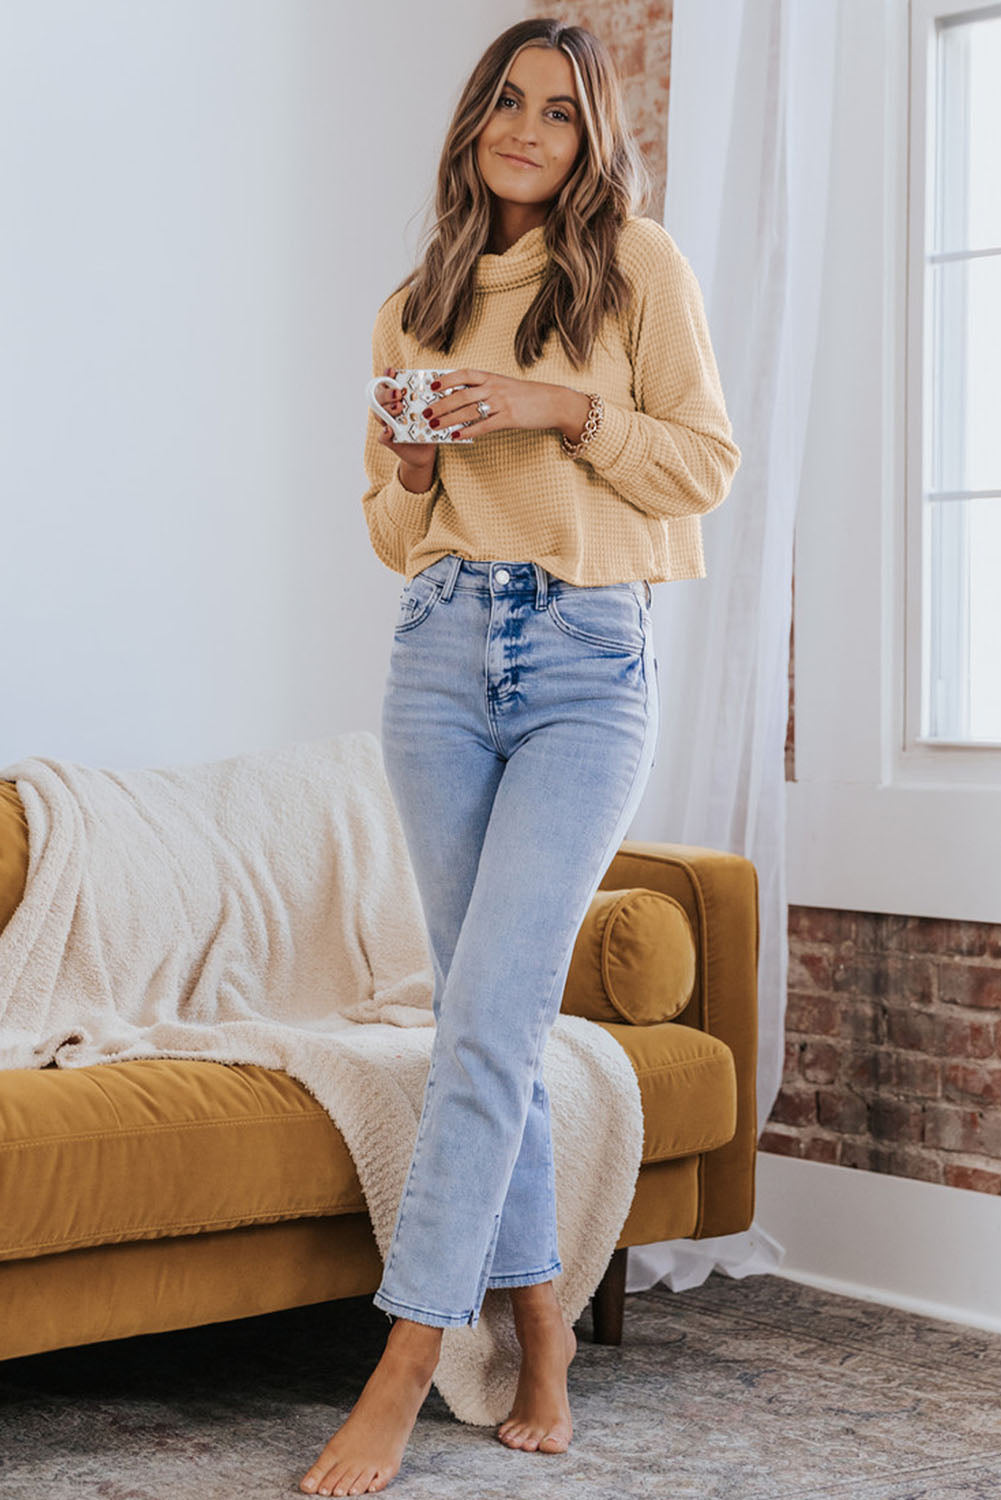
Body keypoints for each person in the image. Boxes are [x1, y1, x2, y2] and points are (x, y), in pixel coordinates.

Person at [301, 17, 740, 1498]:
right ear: (473, 122)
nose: (526, 129)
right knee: (483, 1018)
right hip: (437, 659)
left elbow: (704, 463)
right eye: (506, 101)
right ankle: (541, 1321)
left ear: (588, 139)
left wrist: (563, 408)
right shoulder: (414, 304)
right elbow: (390, 528)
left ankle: (408, 1356)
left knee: (489, 1019)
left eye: (557, 111)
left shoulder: (636, 271)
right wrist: (416, 468)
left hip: (586, 664)